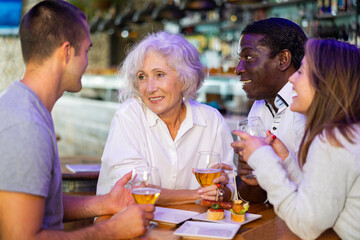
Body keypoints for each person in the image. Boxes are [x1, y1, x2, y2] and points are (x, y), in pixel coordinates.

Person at [0, 1, 154, 239]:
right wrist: (114, 230)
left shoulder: (23, 103)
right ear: (67, 52)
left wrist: (105, 203)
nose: (86, 62)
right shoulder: (26, 125)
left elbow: (41, 201)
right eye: (86, 51)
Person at [232, 38, 360, 239]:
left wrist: (262, 157)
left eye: (301, 72)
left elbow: (306, 225)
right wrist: (286, 161)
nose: (292, 79)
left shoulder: (334, 140)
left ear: (327, 82)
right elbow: (320, 203)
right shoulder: (348, 133)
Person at [96, 31, 235, 213]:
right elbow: (133, 191)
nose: (150, 88)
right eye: (142, 77)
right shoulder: (129, 115)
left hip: (193, 225)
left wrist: (222, 190)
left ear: (185, 78)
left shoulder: (211, 120)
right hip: (129, 226)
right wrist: (198, 194)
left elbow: (229, 185)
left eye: (159, 75)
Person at [234, 18, 307, 203]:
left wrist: (267, 164)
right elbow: (253, 197)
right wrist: (249, 177)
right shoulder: (260, 106)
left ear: (283, 60)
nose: (238, 69)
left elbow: (317, 201)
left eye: (248, 57)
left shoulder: (308, 106)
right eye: (240, 59)